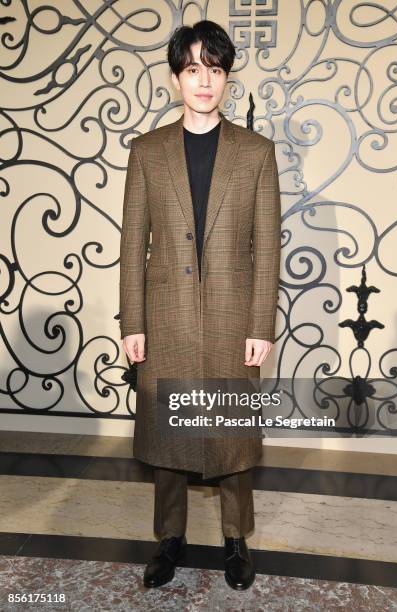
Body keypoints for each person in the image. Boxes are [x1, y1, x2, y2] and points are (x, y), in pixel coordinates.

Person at [119, 20, 281, 591]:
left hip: (235, 317)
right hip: (165, 317)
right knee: (167, 434)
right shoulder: (146, 151)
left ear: (227, 78)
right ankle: (170, 538)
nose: (204, 80)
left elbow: (267, 245)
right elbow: (132, 243)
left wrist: (262, 324)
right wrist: (132, 323)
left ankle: (236, 539)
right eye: (193, 69)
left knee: (231, 434)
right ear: (175, 78)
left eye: (214, 69)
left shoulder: (257, 153)